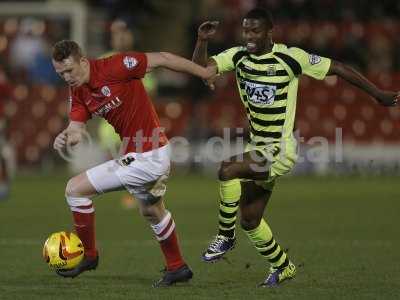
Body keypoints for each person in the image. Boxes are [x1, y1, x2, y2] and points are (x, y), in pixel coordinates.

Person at [192, 8, 399, 287]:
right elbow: (201, 69)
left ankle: (225, 237)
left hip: (280, 149)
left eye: (255, 31)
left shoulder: (290, 57)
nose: (249, 36)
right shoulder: (238, 56)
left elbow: (337, 67)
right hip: (258, 146)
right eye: (246, 30)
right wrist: (202, 41)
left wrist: (377, 94)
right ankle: (283, 266)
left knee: (227, 170)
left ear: (269, 32)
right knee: (251, 221)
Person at [51, 40, 214, 287]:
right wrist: (67, 136)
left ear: (83, 62)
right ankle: (177, 267)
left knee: (74, 190)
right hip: (145, 154)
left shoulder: (115, 66)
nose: (66, 77)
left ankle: (89, 255)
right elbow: (76, 129)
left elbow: (163, 57)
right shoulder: (78, 91)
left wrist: (202, 72)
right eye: (60, 73)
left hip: (148, 154)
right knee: (152, 210)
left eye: (69, 70)